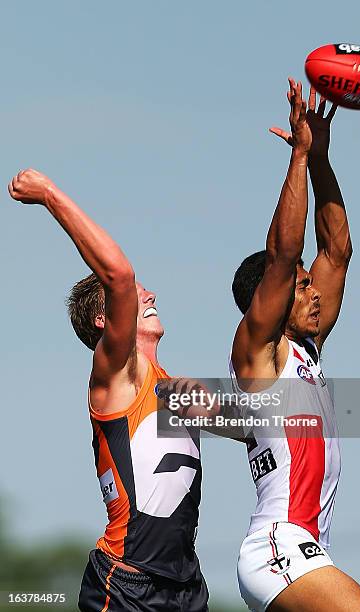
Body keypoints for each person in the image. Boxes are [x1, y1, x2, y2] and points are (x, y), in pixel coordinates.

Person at [8, 169, 208, 612]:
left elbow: (258, 418)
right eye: (138, 296)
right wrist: (49, 194)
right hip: (127, 581)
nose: (149, 293)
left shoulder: (175, 389)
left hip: (186, 585)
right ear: (106, 321)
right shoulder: (115, 372)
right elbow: (118, 274)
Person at [229, 79, 360, 611]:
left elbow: (335, 251)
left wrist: (321, 159)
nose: (315, 292)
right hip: (279, 545)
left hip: (310, 549)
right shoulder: (258, 355)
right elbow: (285, 252)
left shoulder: (306, 351)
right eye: (301, 286)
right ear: (268, 301)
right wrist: (296, 154)